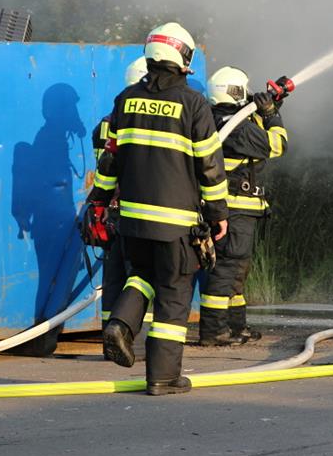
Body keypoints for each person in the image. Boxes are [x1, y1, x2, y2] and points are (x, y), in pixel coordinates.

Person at [87, 22, 229, 395]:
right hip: (175, 223)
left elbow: (109, 161)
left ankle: (120, 324)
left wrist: (99, 200)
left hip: (132, 221)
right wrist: (219, 215)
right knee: (175, 291)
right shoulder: (194, 104)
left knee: (142, 275)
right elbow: (210, 166)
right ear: (182, 56)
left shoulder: (125, 100)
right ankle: (164, 377)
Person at [197, 66, 289, 346]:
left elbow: (252, 135)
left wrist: (270, 106)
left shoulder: (217, 120)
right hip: (234, 209)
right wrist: (272, 115)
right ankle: (214, 331)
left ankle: (236, 326)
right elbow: (277, 144)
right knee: (227, 267)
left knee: (237, 270)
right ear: (237, 92)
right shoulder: (236, 127)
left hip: (231, 209)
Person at [91, 56, 150, 346]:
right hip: (135, 210)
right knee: (140, 274)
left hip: (110, 211)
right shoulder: (141, 124)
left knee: (113, 277)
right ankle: (135, 341)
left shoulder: (108, 122)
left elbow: (104, 165)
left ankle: (109, 339)